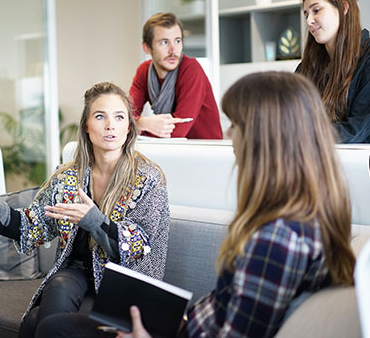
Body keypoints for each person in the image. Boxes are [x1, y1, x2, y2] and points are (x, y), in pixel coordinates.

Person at [47, 72, 356, 338]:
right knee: (49, 321)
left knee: (54, 329)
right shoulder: (307, 218)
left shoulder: (276, 241)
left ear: (266, 139)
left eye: (236, 125)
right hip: (184, 325)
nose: (231, 136)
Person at [0, 82, 170, 337]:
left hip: (125, 282)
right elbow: (30, 226)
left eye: (119, 117)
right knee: (58, 285)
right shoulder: (68, 176)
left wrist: (93, 220)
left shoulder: (148, 178)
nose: (110, 125)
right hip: (77, 272)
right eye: (100, 116)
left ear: (128, 128)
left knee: (37, 321)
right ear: (87, 127)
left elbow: (137, 246)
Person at [129, 12, 222, 139]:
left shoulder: (191, 69)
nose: (173, 50)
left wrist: (138, 126)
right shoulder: (144, 71)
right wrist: (143, 123)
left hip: (204, 150)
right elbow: (125, 118)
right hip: (171, 149)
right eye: (164, 42)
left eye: (177, 41)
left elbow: (177, 131)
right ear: (147, 48)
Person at [298, 0, 370, 143]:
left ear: (343, 8)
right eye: (306, 14)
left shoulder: (367, 58)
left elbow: (358, 128)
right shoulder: (308, 65)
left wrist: (304, 135)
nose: (309, 21)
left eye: (316, 10)